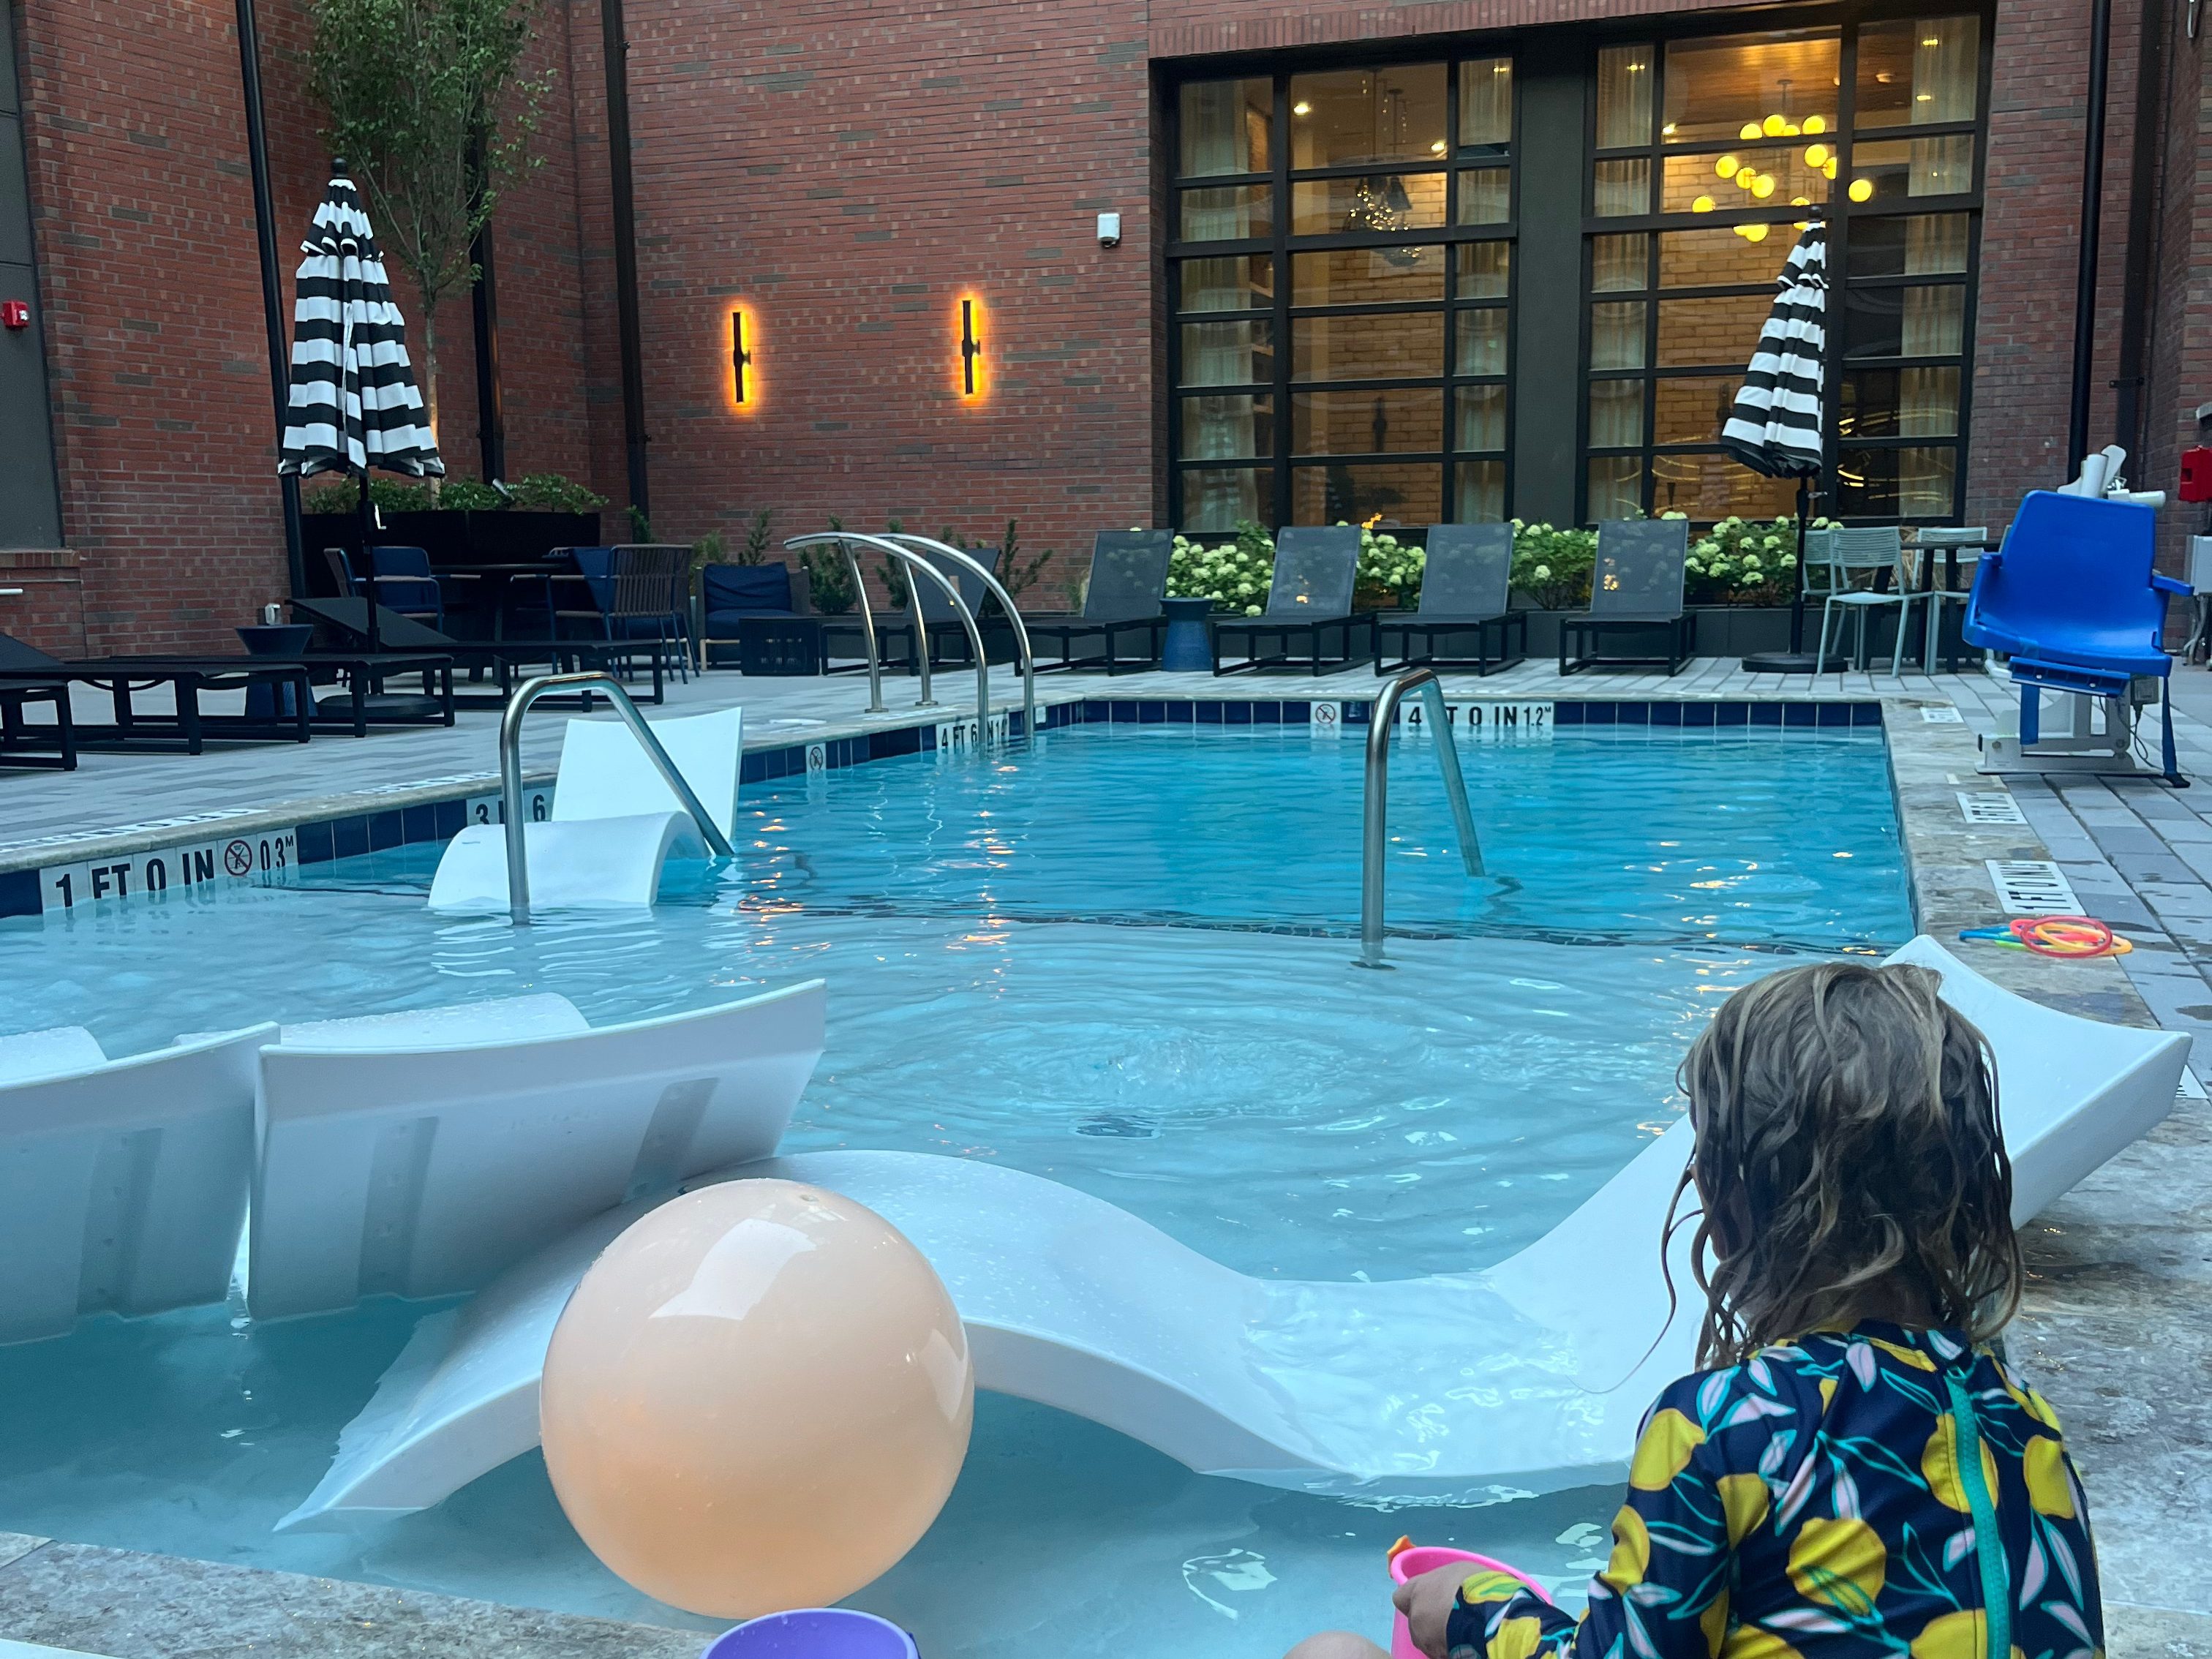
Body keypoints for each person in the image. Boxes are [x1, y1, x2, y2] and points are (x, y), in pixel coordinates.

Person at [1284, 960, 2102, 1659]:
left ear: (1722, 1203)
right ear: (1970, 1205)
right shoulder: (2029, 1431)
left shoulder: (1726, 1429)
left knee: (1332, 1654)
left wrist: (1477, 1604)